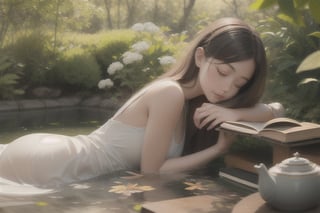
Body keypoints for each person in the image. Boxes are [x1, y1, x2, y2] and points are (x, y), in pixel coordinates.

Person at [0, 17, 283, 189]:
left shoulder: (190, 103)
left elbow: (278, 111)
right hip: (54, 163)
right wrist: (220, 148)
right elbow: (152, 172)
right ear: (200, 58)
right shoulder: (169, 94)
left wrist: (229, 110)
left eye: (239, 83)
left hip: (57, 160)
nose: (226, 87)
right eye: (223, 72)